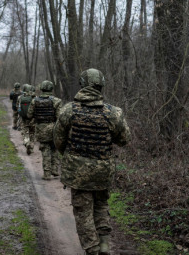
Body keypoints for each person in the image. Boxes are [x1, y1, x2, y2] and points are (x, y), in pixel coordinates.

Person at [53, 69, 131, 255]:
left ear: (82, 85)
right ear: (101, 85)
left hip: (78, 172)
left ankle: (93, 250)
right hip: (103, 170)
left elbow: (58, 140)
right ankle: (104, 245)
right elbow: (124, 139)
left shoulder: (69, 110)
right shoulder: (113, 113)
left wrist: (70, 157)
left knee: (83, 212)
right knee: (101, 205)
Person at [27, 80, 63, 179]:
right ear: (51, 88)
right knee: (54, 148)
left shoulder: (35, 100)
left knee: (45, 149)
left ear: (41, 88)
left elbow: (29, 115)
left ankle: (47, 174)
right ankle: (55, 170)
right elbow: (59, 117)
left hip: (40, 128)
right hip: (53, 127)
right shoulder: (57, 101)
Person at [17, 83, 36, 154]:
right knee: (32, 133)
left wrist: (21, 114)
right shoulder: (34, 97)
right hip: (32, 119)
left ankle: (26, 143)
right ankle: (31, 147)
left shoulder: (20, 97)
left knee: (25, 132)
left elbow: (17, 108)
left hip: (23, 119)